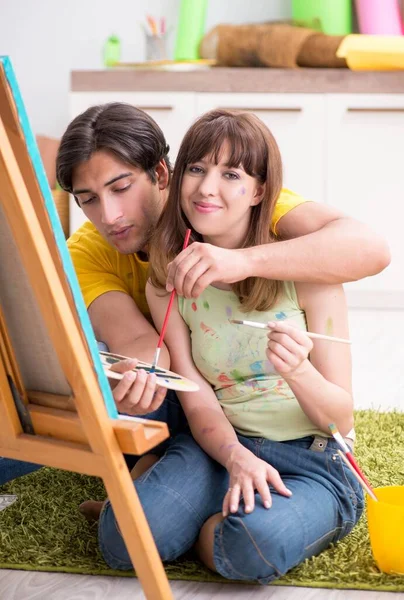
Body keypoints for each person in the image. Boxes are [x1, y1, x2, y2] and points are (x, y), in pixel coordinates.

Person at [0, 101, 388, 487]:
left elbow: (371, 249)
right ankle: (162, 459)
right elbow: (135, 341)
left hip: (252, 399)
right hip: (178, 388)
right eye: (88, 200)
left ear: (161, 174)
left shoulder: (228, 203)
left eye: (121, 188)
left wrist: (240, 262)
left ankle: (163, 465)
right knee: (61, 385)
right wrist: (121, 382)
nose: (110, 215)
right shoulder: (86, 252)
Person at [112, 108, 362, 583]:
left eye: (231, 174)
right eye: (197, 168)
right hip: (221, 448)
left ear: (260, 190)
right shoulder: (169, 279)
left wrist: (299, 372)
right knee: (124, 539)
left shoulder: (310, 273)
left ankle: (213, 527)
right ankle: (201, 507)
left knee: (253, 545)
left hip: (311, 457)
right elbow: (199, 400)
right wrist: (235, 456)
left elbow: (340, 419)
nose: (207, 188)